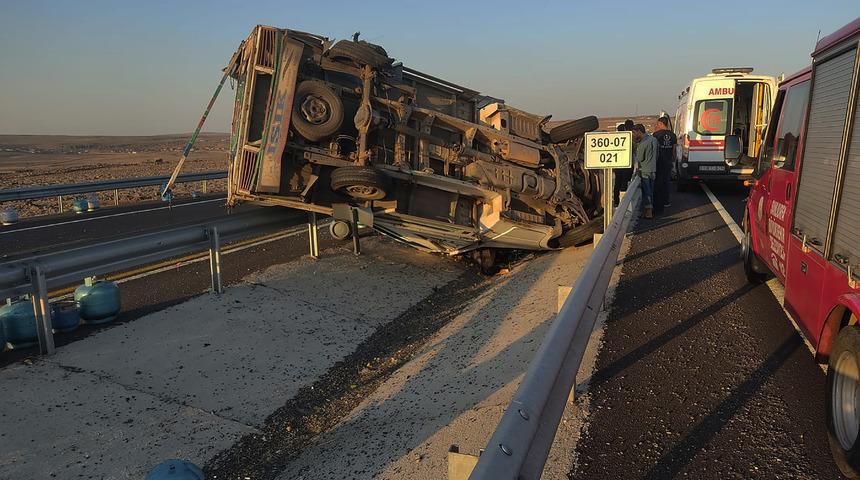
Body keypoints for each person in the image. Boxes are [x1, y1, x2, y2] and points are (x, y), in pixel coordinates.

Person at [632, 124, 658, 218]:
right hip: (653, 168)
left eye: (634, 133)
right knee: (651, 190)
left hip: (645, 170)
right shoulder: (654, 140)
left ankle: (648, 211)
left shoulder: (643, 143)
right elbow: (657, 155)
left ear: (639, 131)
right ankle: (650, 209)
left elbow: (639, 158)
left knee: (646, 191)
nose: (634, 135)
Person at [652, 116, 676, 214]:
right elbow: (674, 150)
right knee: (666, 182)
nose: (657, 125)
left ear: (661, 124)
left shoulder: (656, 135)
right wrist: (673, 161)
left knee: (658, 183)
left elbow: (654, 149)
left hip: (659, 162)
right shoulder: (673, 135)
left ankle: (658, 203)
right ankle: (666, 201)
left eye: (658, 124)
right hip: (668, 161)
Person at [613, 123, 634, 206]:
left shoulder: (614, 141)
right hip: (626, 165)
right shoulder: (628, 139)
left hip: (618, 165)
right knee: (624, 183)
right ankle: (623, 202)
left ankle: (616, 201)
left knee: (617, 183)